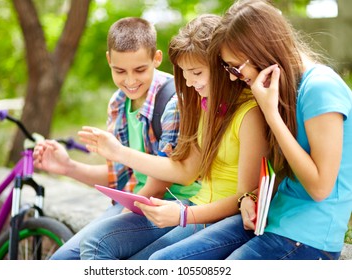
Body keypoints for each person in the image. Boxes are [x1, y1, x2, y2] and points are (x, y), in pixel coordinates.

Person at [143, 0, 352, 260]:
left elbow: (320, 188)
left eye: (235, 67)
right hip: (272, 219)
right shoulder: (286, 88)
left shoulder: (320, 88)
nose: (232, 77)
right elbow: (280, 170)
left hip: (307, 235)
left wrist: (272, 115)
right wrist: (247, 199)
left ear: (262, 51)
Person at [77, 14, 269, 259]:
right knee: (96, 240)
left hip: (216, 218)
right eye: (184, 73)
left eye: (196, 73)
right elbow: (187, 169)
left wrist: (182, 215)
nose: (188, 82)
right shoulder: (204, 104)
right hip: (193, 207)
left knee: (151, 262)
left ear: (222, 67)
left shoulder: (249, 114)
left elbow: (244, 198)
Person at [32, 17, 200, 260]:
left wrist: (115, 225)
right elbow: (121, 178)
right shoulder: (118, 103)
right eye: (120, 71)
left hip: (175, 205)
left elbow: (160, 183)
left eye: (140, 70)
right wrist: (68, 167)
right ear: (109, 59)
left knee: (100, 249)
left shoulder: (174, 101)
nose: (130, 81)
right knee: (61, 261)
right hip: (137, 205)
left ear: (157, 58)